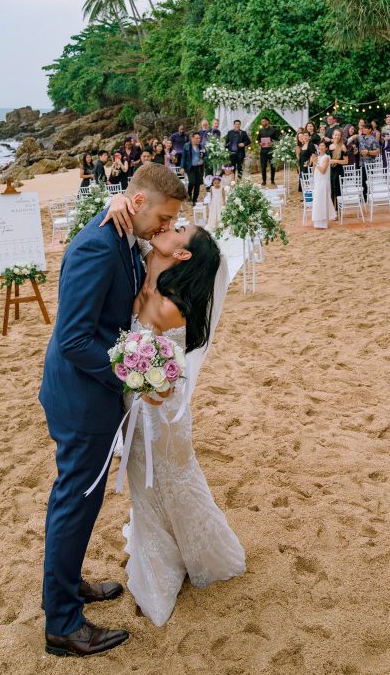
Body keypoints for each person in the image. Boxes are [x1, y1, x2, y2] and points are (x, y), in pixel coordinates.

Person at [38, 164, 188, 658]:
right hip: (80, 401)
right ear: (140, 203)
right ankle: (61, 623)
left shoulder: (125, 233)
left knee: (83, 499)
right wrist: (135, 376)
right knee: (74, 500)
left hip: (94, 397)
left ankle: (68, 584)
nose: (166, 228)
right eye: (163, 218)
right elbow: (74, 339)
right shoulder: (96, 246)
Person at [120, 221, 245, 625]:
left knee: (165, 480)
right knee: (150, 484)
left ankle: (165, 568)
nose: (168, 227)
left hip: (158, 411)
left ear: (183, 254)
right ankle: (167, 552)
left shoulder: (171, 304)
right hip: (142, 404)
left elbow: (142, 351)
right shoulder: (153, 264)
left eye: (178, 229)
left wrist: (141, 380)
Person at [312, 141, 336, 229]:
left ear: (326, 148)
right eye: (320, 146)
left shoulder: (326, 157)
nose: (321, 147)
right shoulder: (317, 157)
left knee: (323, 200)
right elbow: (314, 172)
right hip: (317, 181)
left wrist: (315, 163)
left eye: (323, 146)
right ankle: (317, 222)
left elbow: (323, 170)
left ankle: (323, 223)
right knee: (317, 201)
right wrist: (313, 163)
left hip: (323, 182)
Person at [357, 121, 380, 199]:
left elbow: (377, 152)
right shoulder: (360, 137)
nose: (363, 130)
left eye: (365, 128)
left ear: (370, 129)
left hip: (370, 163)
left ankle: (368, 197)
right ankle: (363, 197)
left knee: (368, 181)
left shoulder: (373, 140)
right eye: (363, 128)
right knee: (362, 180)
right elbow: (354, 137)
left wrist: (368, 152)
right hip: (361, 163)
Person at [181, 132, 205, 205]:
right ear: (192, 138)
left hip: (199, 168)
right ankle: (189, 195)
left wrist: (203, 160)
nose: (198, 140)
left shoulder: (201, 146)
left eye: (199, 138)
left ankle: (195, 200)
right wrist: (182, 167)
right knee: (192, 182)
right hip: (190, 167)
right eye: (197, 138)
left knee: (197, 184)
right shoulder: (187, 146)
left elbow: (205, 155)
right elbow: (183, 157)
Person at [256, 116, 279, 187]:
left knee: (272, 166)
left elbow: (278, 140)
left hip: (272, 151)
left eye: (263, 121)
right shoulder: (260, 131)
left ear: (267, 122)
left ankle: (272, 180)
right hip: (263, 151)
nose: (262, 123)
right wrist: (259, 143)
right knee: (263, 166)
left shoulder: (273, 130)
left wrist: (273, 143)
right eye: (261, 121)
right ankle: (264, 181)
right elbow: (258, 140)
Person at [327, 128, 348, 204]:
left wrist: (335, 161)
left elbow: (346, 161)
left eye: (338, 135)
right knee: (331, 190)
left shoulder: (343, 147)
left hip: (339, 171)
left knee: (338, 190)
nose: (337, 136)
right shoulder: (330, 146)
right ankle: (332, 210)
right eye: (335, 135)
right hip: (330, 171)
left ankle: (339, 210)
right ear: (332, 136)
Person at [296, 130, 313, 197]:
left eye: (306, 135)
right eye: (303, 136)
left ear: (309, 137)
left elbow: (312, 155)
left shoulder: (310, 145)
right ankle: (306, 197)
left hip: (307, 166)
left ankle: (309, 197)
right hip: (302, 166)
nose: (304, 137)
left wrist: (308, 163)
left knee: (308, 181)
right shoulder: (302, 145)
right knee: (303, 181)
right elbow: (299, 158)